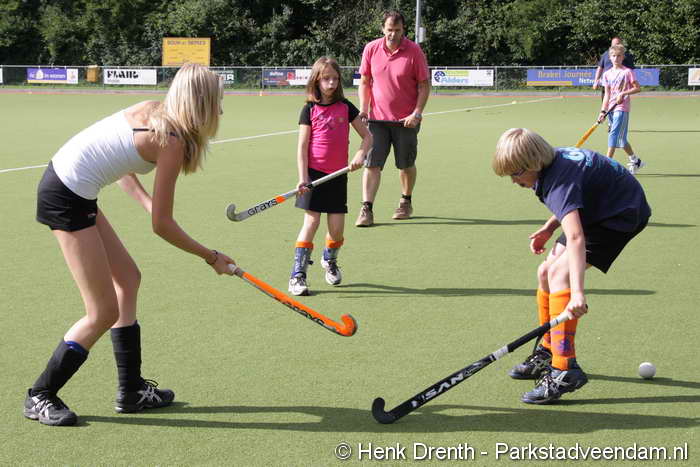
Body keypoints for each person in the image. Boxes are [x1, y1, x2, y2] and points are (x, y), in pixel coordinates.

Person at [26, 63, 236, 426]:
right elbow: (162, 227)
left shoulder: (154, 111)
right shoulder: (171, 141)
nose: (220, 110)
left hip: (73, 189)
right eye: (217, 101)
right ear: (201, 104)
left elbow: (123, 168)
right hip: (65, 197)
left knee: (128, 278)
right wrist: (211, 256)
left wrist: (150, 206)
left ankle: (131, 390)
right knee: (102, 312)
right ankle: (40, 394)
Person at [492, 128, 650, 404]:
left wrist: (577, 293)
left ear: (532, 163)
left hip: (620, 215)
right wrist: (548, 227)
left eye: (516, 173)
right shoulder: (552, 164)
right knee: (545, 272)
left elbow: (576, 237)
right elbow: (574, 198)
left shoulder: (557, 180)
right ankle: (548, 349)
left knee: (558, 274)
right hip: (599, 209)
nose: (514, 180)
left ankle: (565, 369)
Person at [288, 57, 372, 296]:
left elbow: (368, 137)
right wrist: (303, 178)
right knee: (311, 222)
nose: (331, 83)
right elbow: (302, 147)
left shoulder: (346, 106)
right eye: (326, 79)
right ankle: (297, 275)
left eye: (335, 78)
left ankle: (329, 260)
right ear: (316, 80)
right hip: (313, 175)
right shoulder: (309, 109)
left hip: (338, 175)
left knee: (336, 231)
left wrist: (360, 155)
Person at [355, 10, 430, 227]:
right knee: (372, 164)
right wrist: (364, 109)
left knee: (405, 165)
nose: (393, 34)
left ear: (403, 29)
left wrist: (417, 113)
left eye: (397, 30)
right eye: (389, 30)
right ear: (383, 29)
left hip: (405, 121)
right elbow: (365, 82)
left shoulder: (414, 51)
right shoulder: (371, 49)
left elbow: (424, 85)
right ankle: (367, 208)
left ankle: (406, 201)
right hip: (376, 121)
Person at [599, 43, 644, 174]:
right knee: (621, 140)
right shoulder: (606, 74)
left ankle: (607, 164)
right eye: (613, 56)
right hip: (611, 109)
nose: (616, 58)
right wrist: (602, 111)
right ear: (610, 57)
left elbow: (637, 88)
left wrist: (623, 93)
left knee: (613, 134)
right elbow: (607, 95)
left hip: (622, 108)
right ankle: (635, 160)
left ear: (623, 57)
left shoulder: (627, 72)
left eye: (619, 56)